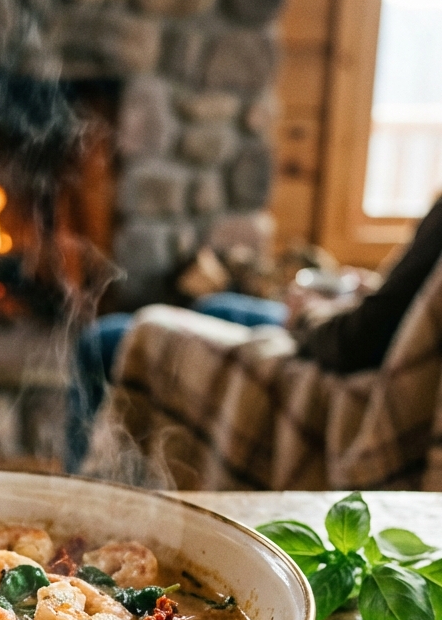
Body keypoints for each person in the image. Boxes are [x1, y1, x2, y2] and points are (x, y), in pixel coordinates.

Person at [67, 194, 442, 471]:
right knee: (219, 307)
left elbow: (354, 343)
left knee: (105, 341)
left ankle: (81, 514)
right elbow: (400, 312)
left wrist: (308, 313)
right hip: (365, 334)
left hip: (360, 382)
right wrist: (367, 292)